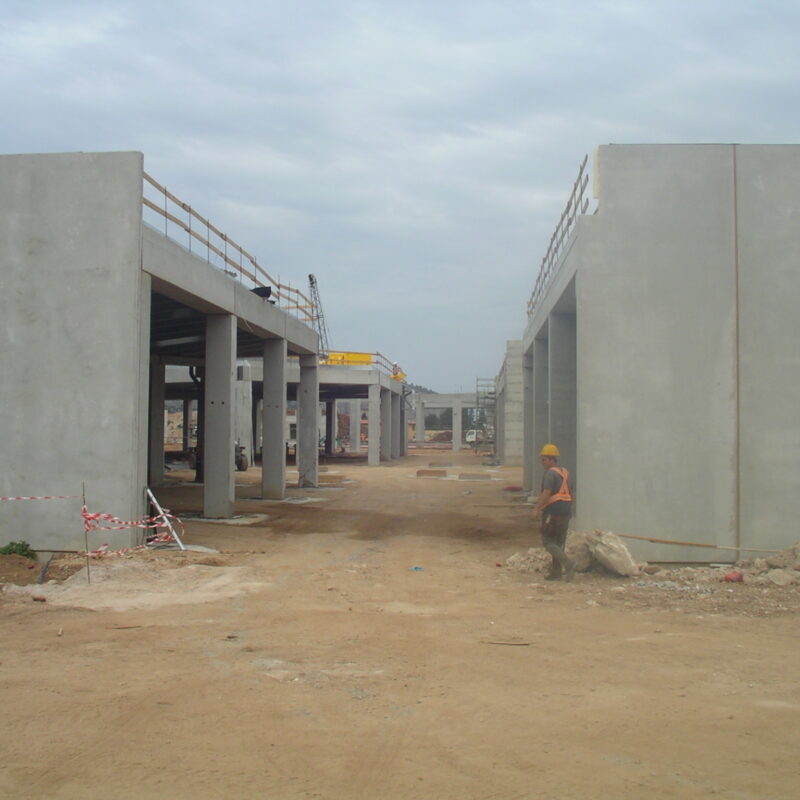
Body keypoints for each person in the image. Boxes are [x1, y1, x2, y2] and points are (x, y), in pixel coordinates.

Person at [531, 443, 575, 581]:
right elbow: (571, 492)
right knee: (559, 542)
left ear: (552, 459)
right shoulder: (566, 473)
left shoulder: (550, 473)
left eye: (544, 459)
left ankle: (569, 564)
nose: (542, 462)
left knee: (548, 541)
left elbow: (547, 492)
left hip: (553, 511)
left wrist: (537, 508)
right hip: (566, 511)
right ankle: (556, 573)